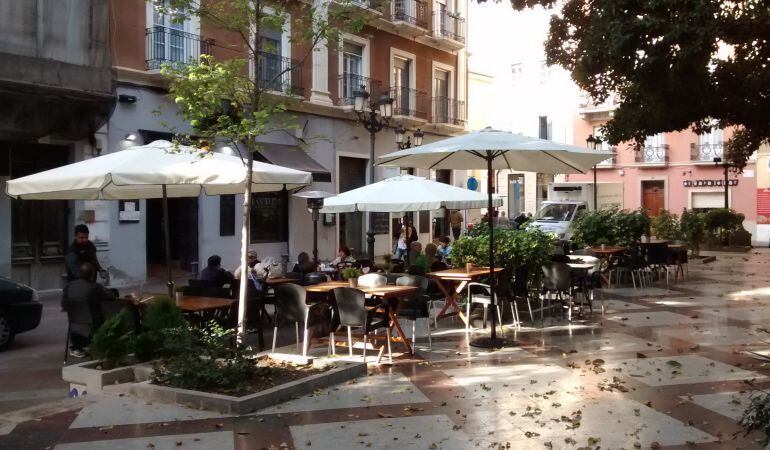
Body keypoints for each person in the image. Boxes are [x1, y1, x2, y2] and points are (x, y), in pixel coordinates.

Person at [61, 262, 116, 357]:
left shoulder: (69, 286)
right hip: (91, 324)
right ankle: (99, 344)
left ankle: (77, 347)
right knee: (107, 314)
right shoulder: (94, 287)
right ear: (92, 275)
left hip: (74, 323)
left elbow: (63, 304)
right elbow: (110, 296)